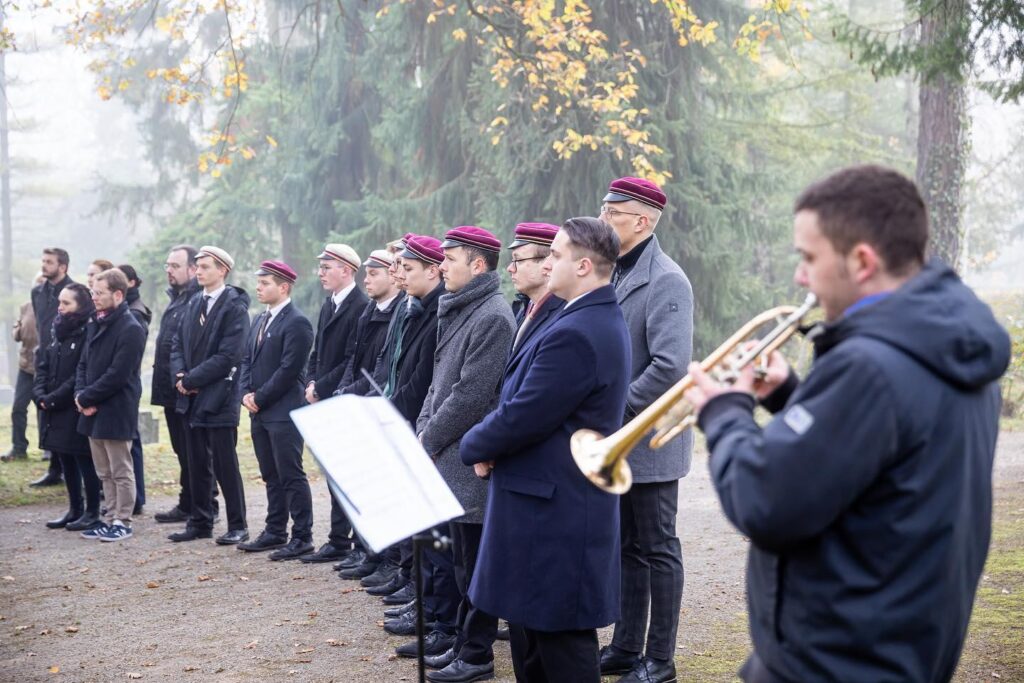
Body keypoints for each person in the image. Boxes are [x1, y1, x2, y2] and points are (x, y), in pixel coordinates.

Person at [682, 165, 1010, 683]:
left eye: (809, 258)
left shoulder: (869, 366)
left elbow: (766, 501)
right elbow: (882, 457)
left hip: (834, 659)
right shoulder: (948, 345)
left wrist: (725, 412)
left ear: (861, 260)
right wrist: (793, 395)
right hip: (900, 643)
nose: (800, 277)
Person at [461, 217, 631, 682]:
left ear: (581, 264)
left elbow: (524, 414)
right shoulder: (580, 317)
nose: (546, 261)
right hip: (542, 505)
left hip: (554, 513)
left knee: (559, 650)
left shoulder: (578, 329)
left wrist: (474, 443)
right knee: (533, 646)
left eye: (554, 255)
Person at [598, 177, 693, 683]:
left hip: (651, 441)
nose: (603, 217)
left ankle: (660, 659)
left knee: (658, 548)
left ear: (642, 220)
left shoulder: (667, 279)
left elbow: (670, 367)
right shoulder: (613, 272)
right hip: (621, 439)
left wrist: (615, 409)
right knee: (627, 547)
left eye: (613, 211)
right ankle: (626, 646)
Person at [416, 226, 516, 683]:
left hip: (467, 456)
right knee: (460, 560)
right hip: (446, 450)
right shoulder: (459, 309)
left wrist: (429, 437)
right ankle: (462, 642)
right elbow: (438, 386)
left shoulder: (492, 315)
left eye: (449, 258)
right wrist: (424, 430)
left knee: (475, 565)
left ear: (477, 265)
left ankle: (477, 655)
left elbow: (472, 395)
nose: (441, 266)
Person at [302, 249, 403, 565]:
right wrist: (313, 382)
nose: (367, 279)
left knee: (365, 482)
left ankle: (365, 547)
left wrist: (335, 389)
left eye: (374, 274)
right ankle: (343, 541)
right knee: (338, 477)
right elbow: (325, 353)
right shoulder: (353, 307)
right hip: (339, 396)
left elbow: (369, 365)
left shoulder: (363, 305)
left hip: (361, 401)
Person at [167, 246, 250, 545]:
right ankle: (200, 521)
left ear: (222, 270)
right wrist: (180, 376)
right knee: (196, 462)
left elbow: (229, 355)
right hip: (189, 396)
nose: (198, 271)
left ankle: (238, 524)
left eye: (204, 267)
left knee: (226, 464)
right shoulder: (193, 303)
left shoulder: (234, 307)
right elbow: (177, 342)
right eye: (197, 266)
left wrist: (191, 379)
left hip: (219, 395)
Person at [237, 261, 316, 560]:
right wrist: (246, 393)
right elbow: (247, 359)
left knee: (290, 474)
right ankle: (275, 530)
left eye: (265, 283)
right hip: (259, 410)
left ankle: (303, 535)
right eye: (258, 283)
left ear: (283, 287)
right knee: (270, 473)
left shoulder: (297, 322)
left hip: (283, 411)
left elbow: (289, 370)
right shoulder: (259, 320)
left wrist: (260, 396)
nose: (258, 287)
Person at [74, 268, 146, 542]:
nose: (93, 297)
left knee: (120, 469)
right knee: (103, 471)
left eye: (99, 293)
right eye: (92, 291)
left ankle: (122, 520)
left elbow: (118, 374)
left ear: (118, 294)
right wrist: (81, 395)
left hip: (116, 408)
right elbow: (83, 363)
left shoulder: (131, 328)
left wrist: (87, 397)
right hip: (91, 408)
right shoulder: (96, 321)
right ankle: (109, 517)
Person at [34, 283, 100, 530]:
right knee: (65, 459)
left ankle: (92, 511)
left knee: (83, 459)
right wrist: (40, 393)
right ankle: (75, 508)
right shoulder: (57, 329)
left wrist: (54, 398)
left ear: (81, 305)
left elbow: (78, 373)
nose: (60, 308)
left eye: (66, 303)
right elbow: (44, 363)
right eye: (59, 303)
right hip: (53, 405)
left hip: (73, 404)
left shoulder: (87, 331)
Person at [151, 245, 208, 524]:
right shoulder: (176, 299)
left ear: (192, 269)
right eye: (167, 265)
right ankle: (188, 503)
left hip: (188, 390)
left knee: (195, 452)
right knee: (181, 450)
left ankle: (204, 504)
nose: (169, 271)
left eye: (175, 266)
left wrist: (186, 378)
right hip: (169, 391)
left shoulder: (198, 300)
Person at [29, 248, 75, 487]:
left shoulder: (75, 292)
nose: (44, 265)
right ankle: (53, 468)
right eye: (43, 260)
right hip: (45, 357)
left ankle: (67, 467)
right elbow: (41, 324)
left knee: (63, 413)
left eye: (49, 262)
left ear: (63, 266)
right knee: (45, 410)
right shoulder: (37, 292)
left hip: (67, 357)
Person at [119, 263, 152, 516]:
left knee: (132, 442)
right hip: (126, 383)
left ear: (130, 283)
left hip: (127, 384)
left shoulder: (135, 313)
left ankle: (137, 496)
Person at [505, 223, 564, 358]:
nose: (510, 268)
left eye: (518, 260)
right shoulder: (527, 306)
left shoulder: (561, 318)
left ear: (548, 263)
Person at [3, 280, 41, 462]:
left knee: (44, 409)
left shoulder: (57, 306)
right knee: (18, 407)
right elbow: (17, 333)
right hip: (26, 366)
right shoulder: (26, 307)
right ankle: (19, 447)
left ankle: (49, 449)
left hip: (45, 368)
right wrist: (17, 330)